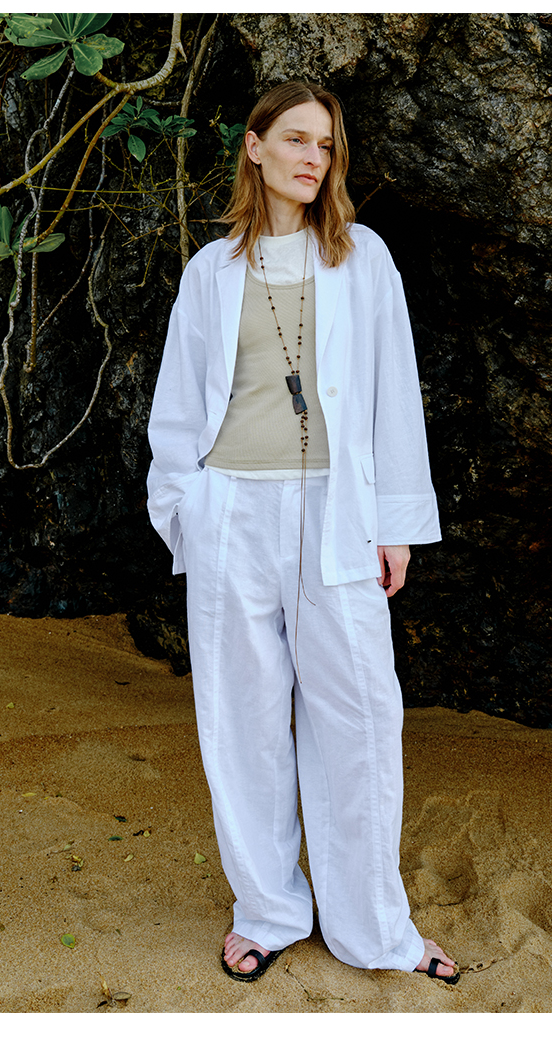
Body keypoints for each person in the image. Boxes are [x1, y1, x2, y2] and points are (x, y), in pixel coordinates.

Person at [147, 80, 459, 985]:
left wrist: (395, 523)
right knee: (241, 720)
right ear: (254, 147)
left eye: (325, 144)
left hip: (337, 513)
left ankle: (375, 929)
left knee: (361, 716)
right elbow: (178, 407)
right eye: (295, 139)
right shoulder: (210, 272)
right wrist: (187, 509)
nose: (312, 157)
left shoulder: (364, 258)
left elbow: (394, 395)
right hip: (232, 512)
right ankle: (268, 910)